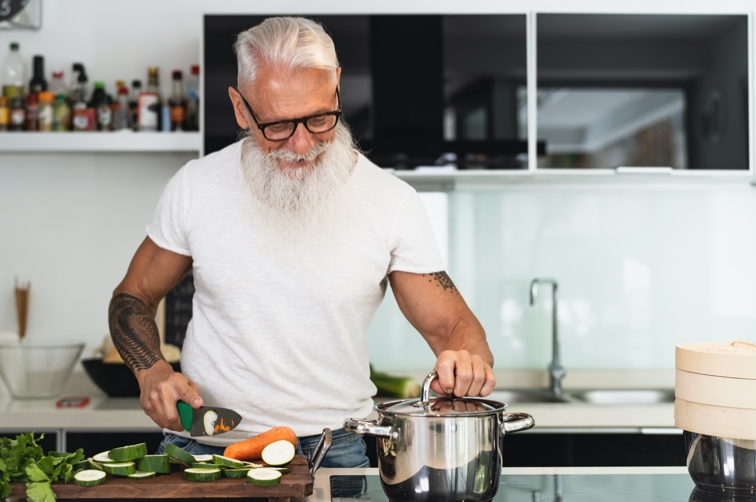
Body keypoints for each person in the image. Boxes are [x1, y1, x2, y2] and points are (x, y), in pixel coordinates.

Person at [108, 16, 496, 470]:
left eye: (318, 118)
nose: (301, 143)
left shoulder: (391, 202)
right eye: (277, 125)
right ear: (240, 109)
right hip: (201, 446)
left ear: (336, 88)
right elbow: (132, 296)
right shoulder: (196, 187)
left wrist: (466, 362)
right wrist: (151, 371)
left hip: (333, 451)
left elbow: (454, 328)